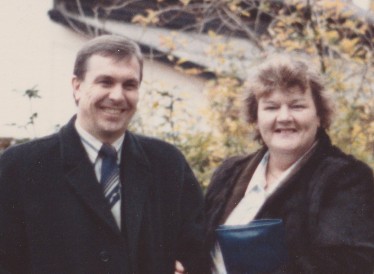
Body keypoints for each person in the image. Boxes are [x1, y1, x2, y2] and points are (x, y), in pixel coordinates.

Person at [0, 35, 206, 274]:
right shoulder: (21, 167)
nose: (117, 96)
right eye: (105, 82)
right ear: (77, 87)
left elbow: (196, 249)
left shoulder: (168, 164)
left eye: (129, 85)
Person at [204, 54, 374, 273]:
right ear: (256, 118)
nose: (284, 117)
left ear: (319, 115)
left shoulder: (347, 178)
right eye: (271, 107)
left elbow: (350, 262)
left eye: (297, 106)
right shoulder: (229, 173)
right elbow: (199, 245)